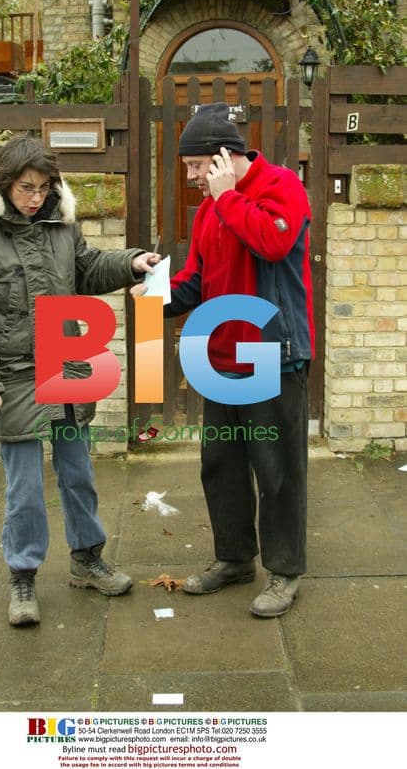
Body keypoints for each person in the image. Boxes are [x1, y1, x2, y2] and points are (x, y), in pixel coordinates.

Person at [0, 135, 159, 626]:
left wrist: (131, 262)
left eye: (43, 187)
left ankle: (87, 559)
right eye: (26, 187)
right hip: (13, 374)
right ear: (5, 183)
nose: (36, 196)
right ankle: (23, 576)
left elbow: (86, 269)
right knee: (24, 487)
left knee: (78, 473)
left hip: (66, 364)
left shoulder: (61, 225)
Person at [133, 102, 314, 618]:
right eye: (189, 168)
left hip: (272, 355)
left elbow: (273, 242)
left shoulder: (281, 185)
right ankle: (234, 560)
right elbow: (198, 279)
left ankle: (284, 571)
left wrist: (228, 197)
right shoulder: (211, 209)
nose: (192, 177)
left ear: (222, 157)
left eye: (196, 166)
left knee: (277, 471)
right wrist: (154, 294)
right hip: (218, 357)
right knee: (222, 466)